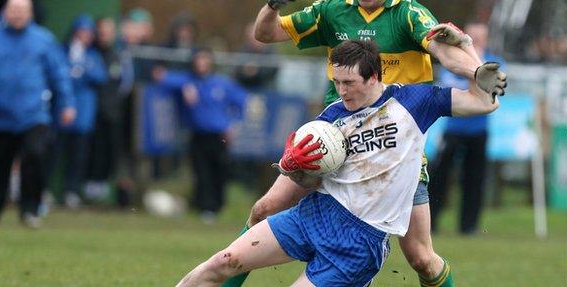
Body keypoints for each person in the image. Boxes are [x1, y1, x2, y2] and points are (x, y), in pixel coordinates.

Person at [224, 0, 507, 286]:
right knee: (265, 208)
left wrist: (477, 72)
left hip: (394, 151)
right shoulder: (332, 11)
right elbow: (265, 34)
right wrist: (271, 6)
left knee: (420, 257)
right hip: (335, 140)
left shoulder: (409, 14)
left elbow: (445, 53)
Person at [176, 39, 505, 287]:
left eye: (349, 83)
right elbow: (314, 182)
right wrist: (296, 169)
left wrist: (469, 53)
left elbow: (481, 102)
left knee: (422, 256)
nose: (341, 91)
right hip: (314, 215)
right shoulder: (331, 117)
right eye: (336, 81)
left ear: (374, 76)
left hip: (358, 242)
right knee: (224, 261)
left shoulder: (414, 101)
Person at [0, 0, 75, 228]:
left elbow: (59, 75)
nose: (17, 14)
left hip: (33, 114)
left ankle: (30, 210)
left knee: (35, 157)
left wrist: (67, 103)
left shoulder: (43, 40)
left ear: (30, 13)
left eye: (22, 10)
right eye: (13, 9)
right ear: (5, 10)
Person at [428, 22, 506, 235]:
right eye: (474, 37)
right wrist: (475, 74)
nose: (478, 40)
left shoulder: (495, 61)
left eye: (481, 37)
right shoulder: (454, 60)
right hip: (454, 128)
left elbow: (494, 89)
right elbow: (451, 85)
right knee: (439, 178)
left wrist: (477, 66)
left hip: (478, 130)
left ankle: (469, 226)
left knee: (475, 179)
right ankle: (430, 223)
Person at [155, 48, 246, 222]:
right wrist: (184, 87)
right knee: (202, 172)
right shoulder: (188, 81)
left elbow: (241, 101)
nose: (201, 64)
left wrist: (233, 125)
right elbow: (163, 79)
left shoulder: (221, 83)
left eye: (205, 60)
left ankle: (218, 206)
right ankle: (206, 208)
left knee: (219, 171)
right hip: (198, 135)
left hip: (219, 136)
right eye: (198, 60)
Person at [54, 14, 107, 209]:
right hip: (63, 113)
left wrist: (81, 66)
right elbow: (59, 77)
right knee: (55, 153)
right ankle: (46, 191)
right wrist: (73, 66)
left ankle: (71, 191)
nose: (85, 36)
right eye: (82, 32)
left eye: (89, 32)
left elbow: (100, 77)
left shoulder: (92, 56)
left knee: (78, 156)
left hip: (84, 115)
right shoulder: (62, 51)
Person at [85, 17, 134, 204]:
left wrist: (113, 101)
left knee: (112, 150)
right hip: (92, 112)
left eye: (109, 30)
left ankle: (107, 187)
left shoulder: (119, 56)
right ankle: (89, 186)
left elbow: (125, 84)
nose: (105, 34)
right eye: (102, 30)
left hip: (112, 112)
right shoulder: (90, 54)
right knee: (91, 149)